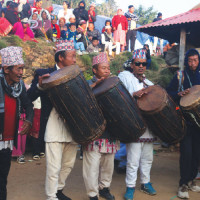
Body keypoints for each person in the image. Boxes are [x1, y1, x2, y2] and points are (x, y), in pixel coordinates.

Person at [27, 40, 77, 200]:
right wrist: (41, 86)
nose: (75, 60)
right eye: (72, 56)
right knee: (54, 166)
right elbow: (30, 96)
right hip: (53, 124)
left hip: (72, 126)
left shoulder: (76, 74)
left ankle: (58, 190)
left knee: (68, 164)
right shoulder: (44, 73)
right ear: (61, 58)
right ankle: (51, 196)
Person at [118, 49, 157, 200]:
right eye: (138, 63)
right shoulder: (125, 77)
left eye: (143, 64)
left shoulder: (149, 83)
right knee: (133, 160)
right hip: (133, 125)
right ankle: (130, 187)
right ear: (132, 65)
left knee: (147, 158)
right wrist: (133, 95)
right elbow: (119, 95)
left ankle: (145, 183)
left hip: (148, 127)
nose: (141, 66)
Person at [83, 52, 119, 200]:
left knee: (108, 165)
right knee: (91, 167)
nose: (106, 70)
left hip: (110, 132)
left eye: (108, 68)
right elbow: (82, 101)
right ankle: (92, 194)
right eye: (103, 68)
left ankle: (104, 188)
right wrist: (93, 86)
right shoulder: (86, 84)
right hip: (93, 132)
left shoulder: (112, 83)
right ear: (94, 70)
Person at [0, 46, 33, 199]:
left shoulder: (19, 87)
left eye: (22, 68)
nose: (21, 72)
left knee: (2, 178)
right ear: (7, 69)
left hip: (6, 142)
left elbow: (28, 105)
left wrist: (29, 119)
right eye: (18, 69)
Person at [167, 49, 200, 199]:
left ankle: (192, 180)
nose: (193, 63)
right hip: (185, 120)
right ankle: (183, 184)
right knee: (186, 154)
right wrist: (178, 94)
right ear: (186, 61)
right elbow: (168, 93)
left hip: (199, 123)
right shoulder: (180, 76)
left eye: (195, 60)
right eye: (190, 60)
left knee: (197, 154)